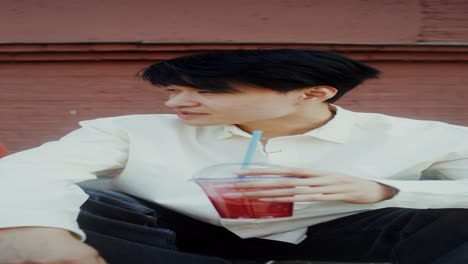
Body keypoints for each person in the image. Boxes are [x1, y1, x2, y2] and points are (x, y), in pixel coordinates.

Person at [1, 49, 468, 264]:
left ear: (313, 93)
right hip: (180, 243)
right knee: (82, 198)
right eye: (174, 91)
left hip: (339, 240)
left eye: (205, 91)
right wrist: (36, 235)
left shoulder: (417, 136)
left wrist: (387, 190)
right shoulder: (128, 131)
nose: (176, 104)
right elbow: (27, 170)